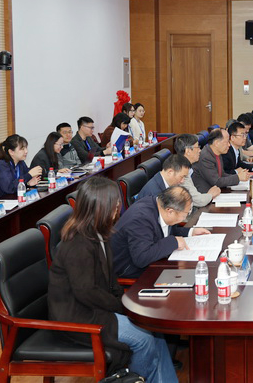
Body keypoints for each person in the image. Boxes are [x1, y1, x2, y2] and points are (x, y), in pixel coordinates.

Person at [48, 176, 177, 381]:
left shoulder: (99, 232)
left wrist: (122, 303)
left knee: (155, 332)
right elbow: (87, 292)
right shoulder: (78, 243)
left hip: (97, 309)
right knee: (144, 340)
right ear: (101, 207)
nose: (119, 209)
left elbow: (110, 280)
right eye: (115, 205)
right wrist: (121, 306)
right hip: (80, 317)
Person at [111, 185, 210, 280]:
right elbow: (142, 258)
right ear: (170, 211)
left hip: (152, 262)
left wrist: (191, 232)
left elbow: (168, 230)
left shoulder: (160, 205)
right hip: (130, 269)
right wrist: (173, 242)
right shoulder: (141, 219)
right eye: (186, 213)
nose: (186, 216)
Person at [174, 134, 221, 207]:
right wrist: (211, 194)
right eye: (197, 147)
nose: (200, 150)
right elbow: (198, 201)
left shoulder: (190, 166)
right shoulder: (181, 172)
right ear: (188, 151)